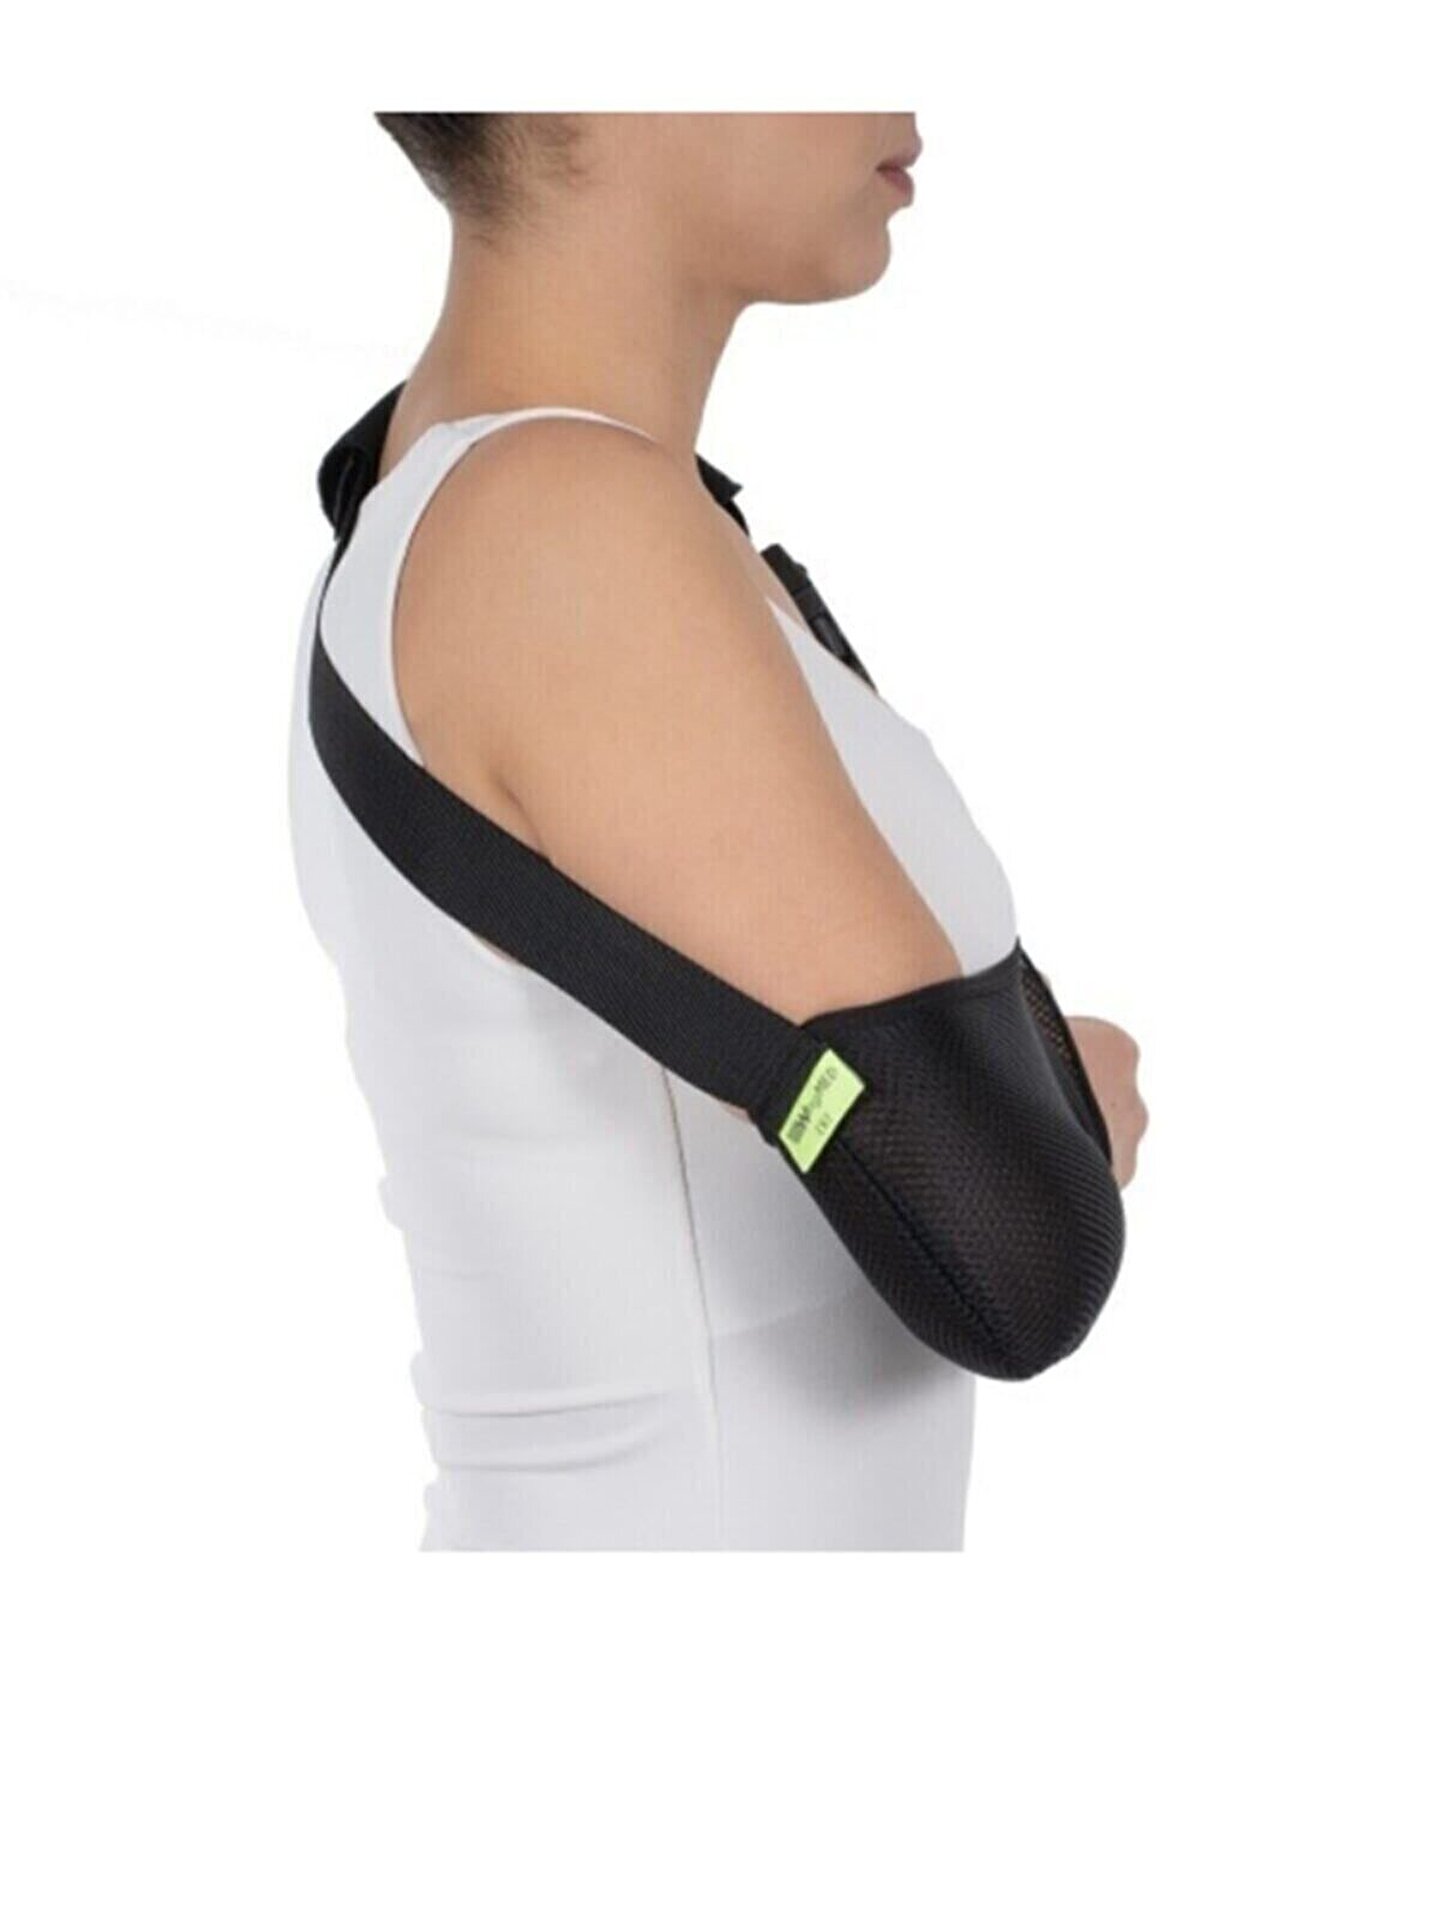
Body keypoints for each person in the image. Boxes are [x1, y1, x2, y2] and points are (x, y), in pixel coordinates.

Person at [287, 112, 1148, 1550]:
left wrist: (1022, 1099)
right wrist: (1069, 1098)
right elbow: (1010, 1252)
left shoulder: (506, 492)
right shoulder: (558, 529)